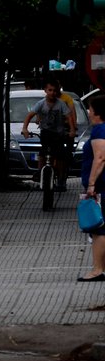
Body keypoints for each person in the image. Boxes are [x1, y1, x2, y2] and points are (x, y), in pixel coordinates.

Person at [21, 79, 74, 192]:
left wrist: (72, 130)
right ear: (45, 90)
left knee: (60, 155)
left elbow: (69, 117)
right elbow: (29, 116)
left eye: (55, 90)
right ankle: (40, 175)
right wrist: (25, 128)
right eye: (50, 90)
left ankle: (60, 180)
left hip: (58, 134)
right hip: (46, 133)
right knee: (43, 153)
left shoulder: (61, 104)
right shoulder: (41, 104)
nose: (52, 93)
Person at [79, 94, 105, 281]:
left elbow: (101, 157)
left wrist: (91, 184)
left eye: (90, 109)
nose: (88, 112)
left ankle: (97, 269)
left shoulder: (99, 131)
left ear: (97, 112)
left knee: (98, 229)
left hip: (101, 186)